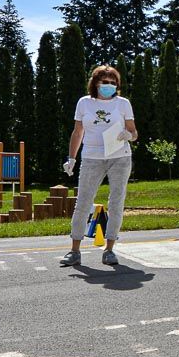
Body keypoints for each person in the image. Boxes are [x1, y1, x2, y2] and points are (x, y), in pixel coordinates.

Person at [59, 65, 137, 267]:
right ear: (95, 83)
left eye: (113, 83)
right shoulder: (84, 103)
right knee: (83, 201)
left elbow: (133, 132)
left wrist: (129, 135)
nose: (109, 86)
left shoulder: (123, 104)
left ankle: (109, 249)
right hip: (92, 157)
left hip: (120, 156)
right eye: (105, 82)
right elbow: (78, 132)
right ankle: (74, 250)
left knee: (116, 202)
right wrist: (72, 158)